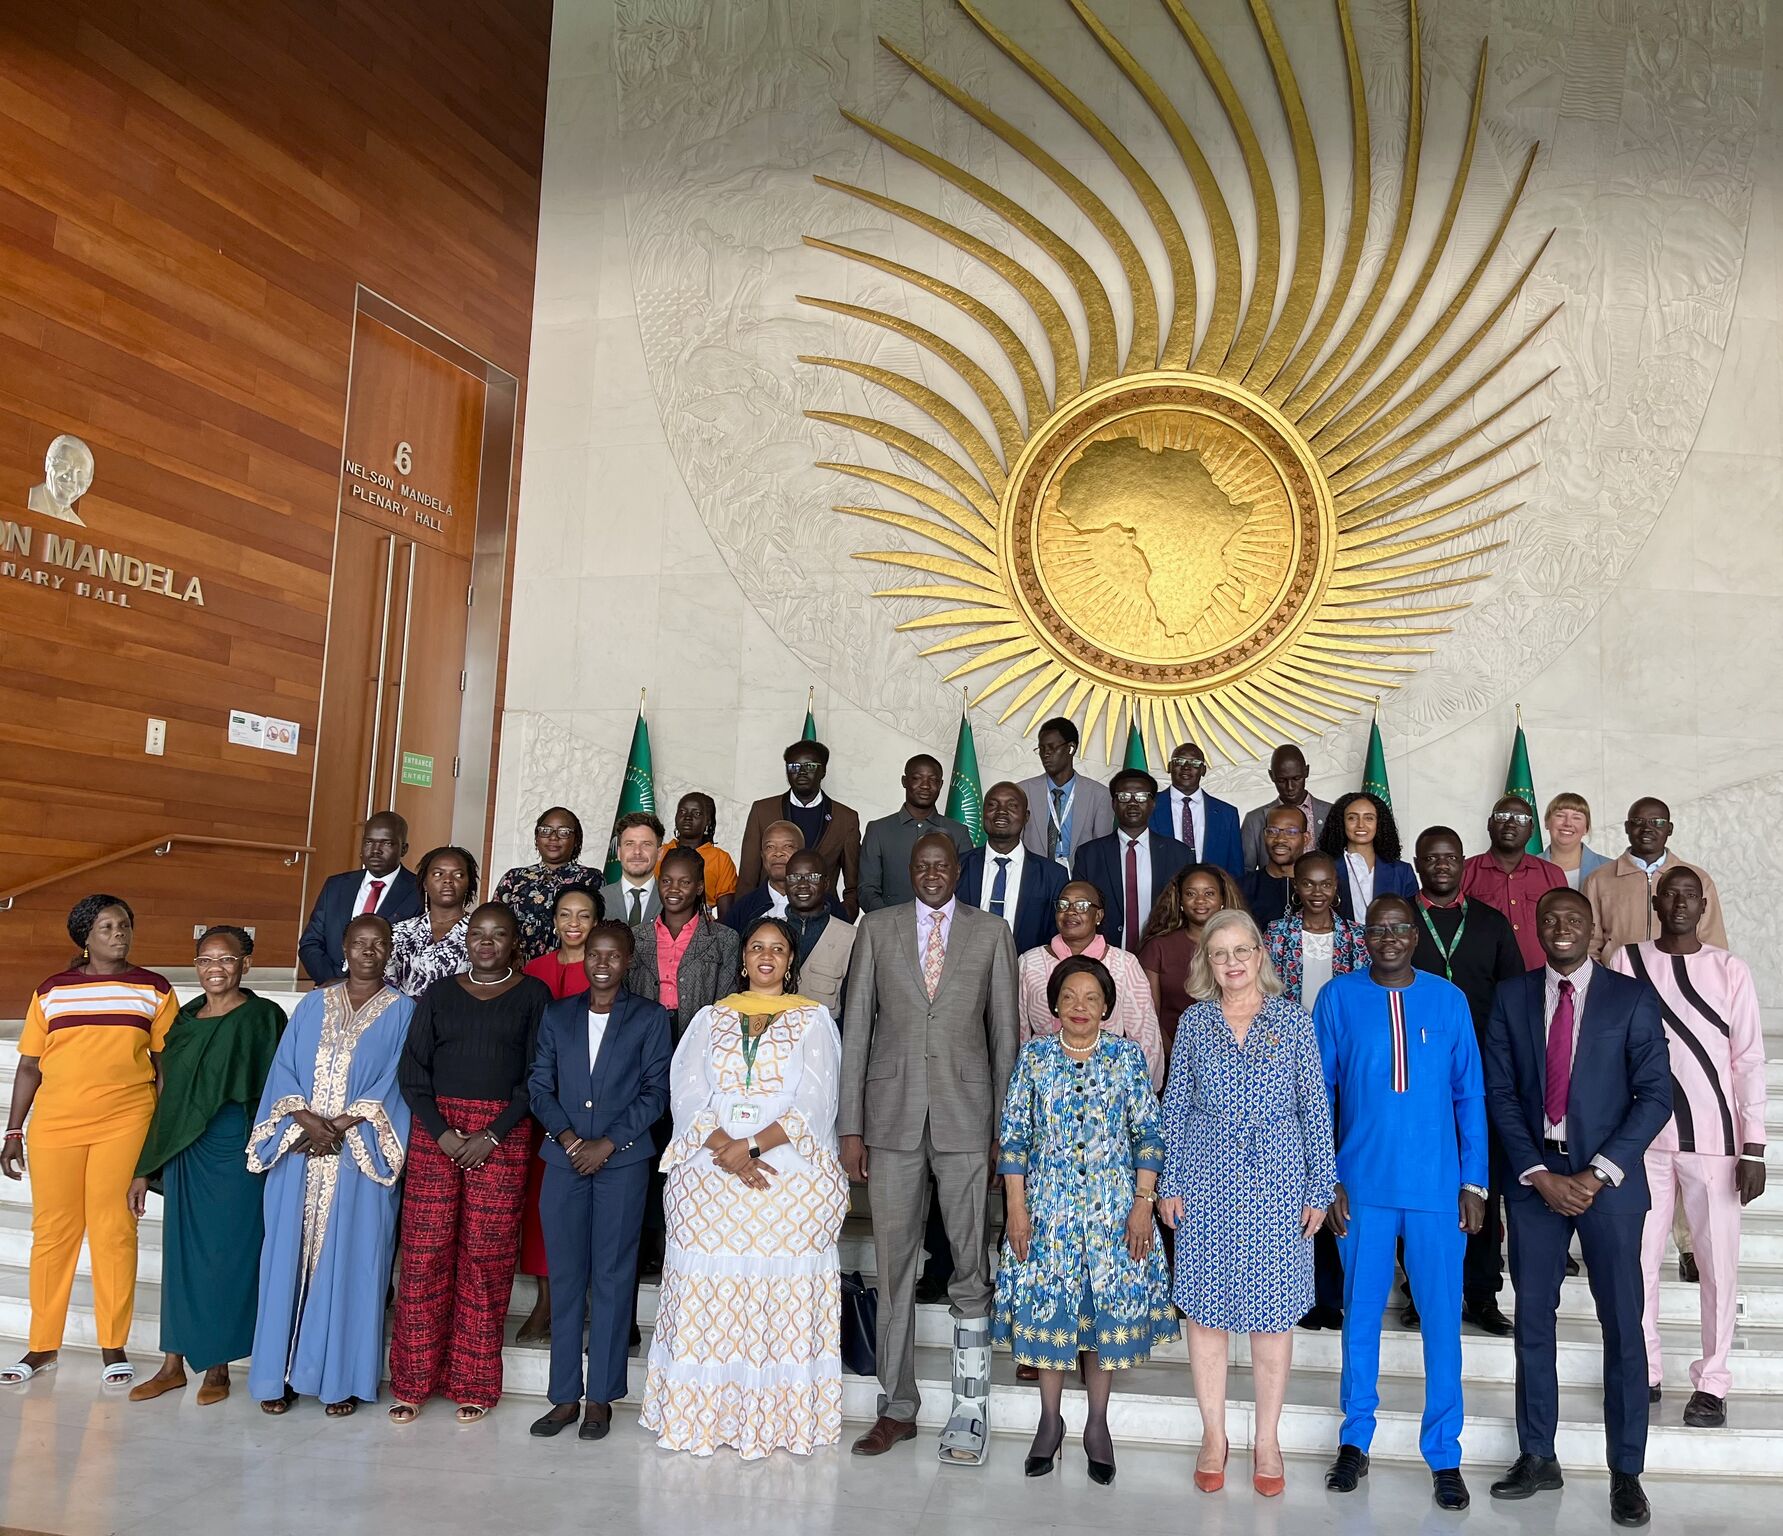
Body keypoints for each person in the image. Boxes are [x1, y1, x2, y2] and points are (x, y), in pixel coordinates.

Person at [1483, 887, 1671, 1528]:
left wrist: (1597, 1171)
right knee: (1533, 1323)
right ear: (1537, 928)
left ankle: (1627, 1471)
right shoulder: (1511, 998)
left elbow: (1655, 1096)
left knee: (1624, 1327)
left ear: (1592, 929)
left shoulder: (1632, 997)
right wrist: (1536, 1173)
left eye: (1573, 919)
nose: (1561, 927)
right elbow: (1499, 1091)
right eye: (1551, 919)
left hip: (1609, 1185)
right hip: (1536, 1182)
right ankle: (1538, 1454)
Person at [840, 832, 1019, 1464]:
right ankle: (897, 1407)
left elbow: (1005, 1036)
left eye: (944, 865)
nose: (934, 873)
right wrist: (849, 1125)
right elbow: (857, 1026)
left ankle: (970, 1407)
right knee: (894, 1269)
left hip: (969, 1120)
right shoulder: (878, 928)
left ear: (958, 871)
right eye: (923, 864)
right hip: (889, 1120)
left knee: (971, 1262)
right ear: (909, 870)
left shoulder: (991, 933)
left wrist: (1008, 1131)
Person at [641, 917, 850, 1457]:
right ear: (743, 958)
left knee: (777, 1281)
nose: (765, 956)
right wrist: (725, 1151)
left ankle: (775, 1417)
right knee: (711, 1282)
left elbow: (816, 1103)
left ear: (790, 961)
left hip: (787, 1171)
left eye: (777, 949)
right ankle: (703, 1417)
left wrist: (751, 1147)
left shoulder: (814, 1020)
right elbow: (687, 1094)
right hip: (711, 1165)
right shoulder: (711, 1018)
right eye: (757, 946)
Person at [1316, 896, 1488, 1511]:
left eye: (1399, 929)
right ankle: (1355, 1440)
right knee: (1360, 1317)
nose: (1388, 938)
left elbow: (1470, 1095)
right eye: (1377, 929)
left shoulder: (1449, 1000)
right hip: (1360, 1186)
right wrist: (1324, 1180)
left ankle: (1444, 1453)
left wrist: (1474, 1182)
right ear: (1363, 936)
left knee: (1442, 1321)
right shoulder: (1337, 997)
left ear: (1415, 936)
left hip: (1438, 1189)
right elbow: (1318, 1097)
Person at [1157, 909, 1334, 1498]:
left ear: (1261, 953)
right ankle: (1215, 1436)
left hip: (1280, 1185)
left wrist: (1319, 1187)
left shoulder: (1293, 1022)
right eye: (1219, 952)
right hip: (1206, 1185)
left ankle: (1267, 1440)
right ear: (1206, 961)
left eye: (1242, 950)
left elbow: (1315, 1108)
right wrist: (1169, 1183)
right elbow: (1176, 1108)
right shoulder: (1195, 1025)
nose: (1232, 962)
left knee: (1272, 1320)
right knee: (1205, 1317)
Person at [996, 955, 1174, 1487]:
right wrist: (1015, 1206)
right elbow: (1014, 1138)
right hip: (1047, 1212)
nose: (1079, 1007)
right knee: (1052, 1319)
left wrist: (1143, 1204)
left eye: (1091, 998)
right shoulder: (1034, 1058)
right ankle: (1050, 1422)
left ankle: (1098, 1425)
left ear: (1107, 1007)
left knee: (1098, 1323)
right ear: (1053, 1004)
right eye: (1069, 997)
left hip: (1115, 1213)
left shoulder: (1126, 1058)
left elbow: (1148, 1135)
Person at [1608, 868, 1767, 1430]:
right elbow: (1610, 1048)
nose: (1678, 903)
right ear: (1654, 900)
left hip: (1714, 1139)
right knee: (1638, 1259)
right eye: (1668, 895)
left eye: (1689, 896)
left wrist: (1754, 1146)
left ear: (1703, 905)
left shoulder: (1730, 969)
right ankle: (1644, 1367)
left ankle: (1713, 1381)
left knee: (1717, 1264)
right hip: (1640, 1138)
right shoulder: (1627, 960)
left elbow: (1747, 1059)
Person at [1, 895, 178, 1387]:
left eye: (124, 925)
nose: (119, 934)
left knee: (114, 1229)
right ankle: (41, 1346)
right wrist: (14, 1130)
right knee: (52, 1233)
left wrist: (158, 1137)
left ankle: (112, 1344)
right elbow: (30, 1065)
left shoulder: (155, 990)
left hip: (125, 1120)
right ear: (84, 938)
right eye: (106, 927)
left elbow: (167, 1069)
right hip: (55, 1123)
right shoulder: (52, 991)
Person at [389, 903, 550, 1423]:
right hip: (437, 1132)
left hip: (501, 1136)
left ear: (512, 942)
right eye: (477, 933)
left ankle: (474, 1382)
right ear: (467, 940)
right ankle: (413, 1382)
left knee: (485, 1258)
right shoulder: (438, 994)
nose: (485, 942)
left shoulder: (532, 996)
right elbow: (413, 1072)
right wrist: (442, 1133)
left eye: (497, 934)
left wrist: (493, 1134)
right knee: (424, 1254)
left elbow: (538, 1074)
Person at [248, 914, 413, 1416]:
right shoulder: (312, 1003)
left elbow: (397, 1080)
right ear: (344, 946)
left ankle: (340, 1380)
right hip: (298, 1152)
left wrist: (338, 1126)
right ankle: (278, 1375)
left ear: (391, 951)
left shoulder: (405, 1010)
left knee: (354, 1266)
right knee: (285, 1262)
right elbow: (284, 1069)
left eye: (379, 944)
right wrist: (304, 1120)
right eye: (360, 942)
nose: (369, 951)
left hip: (358, 1159)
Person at [126, 926, 285, 1407]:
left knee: (227, 1258)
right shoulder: (186, 1019)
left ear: (245, 964)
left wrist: (268, 1148)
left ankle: (219, 1367)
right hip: (184, 1152)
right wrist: (144, 1166)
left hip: (234, 1149)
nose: (215, 968)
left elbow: (277, 1088)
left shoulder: (263, 1016)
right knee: (180, 1257)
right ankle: (172, 1365)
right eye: (205, 959)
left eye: (226, 958)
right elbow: (168, 1096)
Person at [527, 921, 673, 1442]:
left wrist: (607, 1144)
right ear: (583, 957)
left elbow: (657, 1092)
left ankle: (600, 1400)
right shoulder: (557, 1014)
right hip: (564, 1161)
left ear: (629, 961)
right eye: (595, 954)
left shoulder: (650, 1018)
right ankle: (564, 1397)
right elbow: (540, 1085)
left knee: (612, 1277)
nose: (603, 963)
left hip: (623, 1162)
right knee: (566, 1278)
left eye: (613, 955)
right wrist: (569, 1140)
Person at [1408, 827, 1524, 1336]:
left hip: (1481, 1071)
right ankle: (1421, 1293)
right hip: (1414, 1075)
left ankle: (1481, 1294)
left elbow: (1515, 997)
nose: (1441, 865)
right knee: (1424, 1185)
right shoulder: (1399, 923)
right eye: (1431, 858)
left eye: (1450, 857)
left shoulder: (1493, 923)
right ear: (1417, 864)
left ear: (1462, 863)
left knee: (1483, 1183)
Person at [516, 883, 604, 1343]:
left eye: (584, 915)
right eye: (565, 915)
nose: (573, 924)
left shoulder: (605, 971)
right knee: (540, 1208)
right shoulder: (533, 970)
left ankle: (576, 1299)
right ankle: (545, 1300)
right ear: (553, 922)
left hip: (591, 1114)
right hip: (540, 1109)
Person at [1016, 881, 1163, 1089]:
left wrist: (1139, 1091)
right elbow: (1019, 1032)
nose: (1071, 912)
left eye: (1082, 905)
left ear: (1099, 916)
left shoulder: (1124, 964)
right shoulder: (1030, 962)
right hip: (1045, 1082)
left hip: (1110, 1084)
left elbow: (1144, 1036)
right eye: (1063, 905)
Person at [1585, 797, 1727, 961]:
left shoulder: (1698, 879)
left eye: (1657, 822)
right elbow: (1589, 946)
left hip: (1681, 981)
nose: (1647, 828)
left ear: (1670, 829)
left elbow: (1714, 944)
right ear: (1627, 827)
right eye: (1638, 821)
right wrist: (1606, 981)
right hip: (1620, 981)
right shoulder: (1598, 880)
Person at [625, 847, 741, 1043]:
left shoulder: (724, 939)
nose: (673, 889)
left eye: (685, 882)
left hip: (700, 1038)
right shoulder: (635, 937)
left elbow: (726, 1003)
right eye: (666, 881)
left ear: (699, 887)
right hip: (642, 1036)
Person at [738, 740, 862, 918]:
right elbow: (747, 877)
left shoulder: (845, 817)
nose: (801, 772)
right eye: (794, 766)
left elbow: (853, 883)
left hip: (823, 917)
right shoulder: (762, 810)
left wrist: (845, 915)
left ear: (824, 770)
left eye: (810, 766)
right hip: (768, 915)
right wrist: (744, 919)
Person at [1073, 769, 1192, 950]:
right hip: (1104, 956)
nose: (1133, 803)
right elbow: (1080, 908)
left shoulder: (1179, 854)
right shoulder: (1089, 854)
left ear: (1153, 804)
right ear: (1113, 803)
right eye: (1124, 796)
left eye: (1141, 797)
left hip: (1163, 955)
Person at [298, 811, 422, 983]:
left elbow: (415, 955)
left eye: (386, 843)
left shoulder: (419, 891)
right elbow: (310, 943)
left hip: (386, 993)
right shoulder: (336, 886)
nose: (376, 851)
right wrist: (333, 981)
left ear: (404, 849)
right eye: (369, 842)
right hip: (330, 986)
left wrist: (366, 987)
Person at [1136, 862, 1243, 1060]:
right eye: (1191, 894)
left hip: (1233, 1057)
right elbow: (1149, 1016)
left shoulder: (1242, 946)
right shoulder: (1158, 947)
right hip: (1171, 1055)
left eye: (1209, 893)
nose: (1200, 901)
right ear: (1181, 901)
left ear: (1222, 899)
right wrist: (1177, 1058)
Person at [959, 779, 1068, 952]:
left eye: (1012, 806)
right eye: (993, 805)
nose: (1001, 812)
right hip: (966, 972)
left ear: (1026, 817)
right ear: (983, 813)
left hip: (1026, 972)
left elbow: (1056, 935)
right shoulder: (958, 867)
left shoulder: (1053, 876)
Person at [1461, 794, 1567, 970]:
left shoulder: (1552, 874)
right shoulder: (1465, 872)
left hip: (1541, 980)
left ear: (1532, 829)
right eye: (1502, 816)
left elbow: (1564, 928)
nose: (1510, 823)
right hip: (1484, 979)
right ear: (1489, 824)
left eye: (1521, 818)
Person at [859, 753, 974, 911]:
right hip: (891, 929)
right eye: (917, 778)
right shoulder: (878, 830)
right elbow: (867, 890)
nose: (925, 785)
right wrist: (887, 924)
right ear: (904, 781)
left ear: (940, 785)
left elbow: (966, 888)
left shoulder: (959, 832)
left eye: (933, 780)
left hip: (945, 929)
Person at [493, 806, 602, 961]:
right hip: (520, 973)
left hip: (574, 968)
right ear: (536, 838)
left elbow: (601, 931)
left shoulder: (591, 878)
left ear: (576, 840)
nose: (553, 837)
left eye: (563, 832)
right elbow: (495, 927)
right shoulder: (514, 878)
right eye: (545, 830)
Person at [1263, 853, 1367, 1011]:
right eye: (1308, 884)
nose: (1317, 892)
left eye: (1325, 884)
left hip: (1341, 1032)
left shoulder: (1357, 935)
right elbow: (1264, 989)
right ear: (1296, 885)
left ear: (1335, 885)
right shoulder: (1277, 934)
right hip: (1291, 1031)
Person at [1019, 715, 1113, 866]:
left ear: (1071, 748)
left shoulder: (1100, 795)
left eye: (1051, 748)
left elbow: (1101, 850)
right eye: (1042, 749)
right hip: (1035, 877)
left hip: (1081, 879)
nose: (1045, 754)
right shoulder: (1023, 791)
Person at [387, 845, 477, 997]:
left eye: (458, 875)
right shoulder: (398, 932)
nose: (448, 880)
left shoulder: (480, 934)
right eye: (438, 874)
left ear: (468, 883)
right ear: (425, 884)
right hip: (406, 1018)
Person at [1148, 740, 1244, 878]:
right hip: (1160, 894)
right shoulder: (1148, 807)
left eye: (1194, 763)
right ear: (1169, 767)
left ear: (1203, 770)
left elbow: (1236, 869)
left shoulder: (1227, 814)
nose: (1186, 767)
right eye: (1179, 761)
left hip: (1211, 896)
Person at [1318, 791, 1417, 923]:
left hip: (1389, 942)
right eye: (1352, 818)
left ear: (1379, 823)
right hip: (1339, 943)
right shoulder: (1326, 868)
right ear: (1341, 822)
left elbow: (1413, 921)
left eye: (1369, 818)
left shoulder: (1402, 871)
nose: (1360, 825)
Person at [782, 850, 856, 1021]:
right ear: (785, 885)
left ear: (826, 883)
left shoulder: (852, 938)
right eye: (794, 877)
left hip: (828, 1041)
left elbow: (853, 1010)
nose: (802, 884)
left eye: (812, 877)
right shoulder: (768, 933)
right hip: (774, 1042)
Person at [1240, 744, 1332, 870]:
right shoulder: (1255, 820)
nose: (1290, 787)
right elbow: (1245, 871)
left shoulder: (1331, 813)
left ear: (1306, 771)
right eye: (1282, 780)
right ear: (1271, 776)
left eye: (1296, 778)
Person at [660, 791, 739, 920]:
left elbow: (727, 914)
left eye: (696, 813)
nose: (688, 817)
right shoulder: (661, 853)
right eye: (682, 811)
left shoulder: (720, 859)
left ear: (707, 821)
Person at [726, 820, 811, 931]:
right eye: (770, 847)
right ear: (762, 855)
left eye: (788, 846)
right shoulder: (744, 907)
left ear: (802, 853)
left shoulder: (824, 904)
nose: (778, 853)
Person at [1240, 804, 1306, 927]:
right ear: (1264, 836)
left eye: (1291, 832)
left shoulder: (1318, 888)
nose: (1280, 839)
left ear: (1306, 838)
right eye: (1272, 831)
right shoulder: (1243, 887)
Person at [601, 811, 664, 926]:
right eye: (629, 844)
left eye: (646, 844)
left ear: (659, 853)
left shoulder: (671, 898)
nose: (637, 852)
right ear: (619, 853)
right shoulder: (598, 900)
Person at [1543, 792, 1611, 891]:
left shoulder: (1609, 868)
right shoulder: (1526, 869)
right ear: (1546, 823)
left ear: (1586, 828)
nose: (1567, 823)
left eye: (1576, 818)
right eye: (1560, 815)